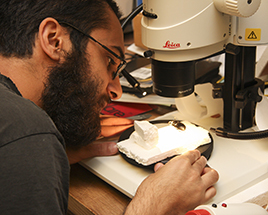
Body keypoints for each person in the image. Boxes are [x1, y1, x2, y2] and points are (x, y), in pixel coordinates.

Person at [0, 0, 219, 214]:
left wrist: (36, 160)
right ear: (54, 40)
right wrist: (153, 206)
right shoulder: (27, 134)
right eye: (109, 61)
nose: (117, 91)